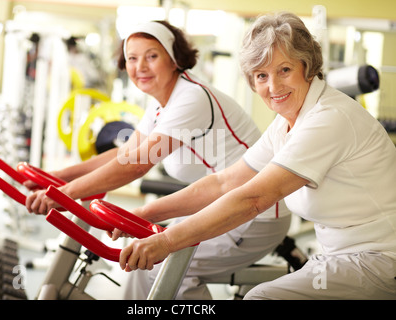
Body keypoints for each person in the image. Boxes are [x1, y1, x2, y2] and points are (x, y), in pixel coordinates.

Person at [118, 12, 396, 300]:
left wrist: (166, 240)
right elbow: (224, 183)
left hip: (378, 260)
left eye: (284, 70)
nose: (273, 87)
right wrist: (141, 214)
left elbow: (253, 200)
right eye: (262, 76)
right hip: (339, 257)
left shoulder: (328, 118)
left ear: (308, 66)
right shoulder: (287, 123)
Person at [24, 20, 291, 299]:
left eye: (152, 56)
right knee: (141, 259)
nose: (140, 67)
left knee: (166, 267)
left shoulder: (192, 97)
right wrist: (58, 178)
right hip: (218, 206)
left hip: (256, 215)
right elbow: (125, 153)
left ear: (174, 58)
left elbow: (138, 163)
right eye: (132, 58)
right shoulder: (161, 102)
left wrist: (64, 194)